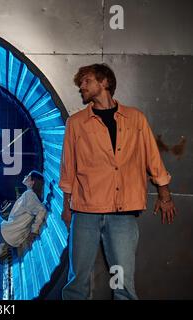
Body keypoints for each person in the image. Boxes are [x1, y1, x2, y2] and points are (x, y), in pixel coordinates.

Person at [59, 63, 177, 300]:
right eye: (80, 83)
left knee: (123, 284)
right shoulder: (76, 123)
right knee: (77, 282)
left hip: (123, 214)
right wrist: (66, 207)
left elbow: (152, 158)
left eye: (87, 81)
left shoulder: (135, 119)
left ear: (104, 83)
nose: (81, 87)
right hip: (85, 211)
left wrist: (165, 195)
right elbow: (68, 167)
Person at [0, 170, 47, 258]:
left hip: (7, 234)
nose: (25, 176)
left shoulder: (29, 195)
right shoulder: (33, 196)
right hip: (16, 239)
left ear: (32, 182)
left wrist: (34, 231)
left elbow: (42, 210)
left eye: (28, 176)